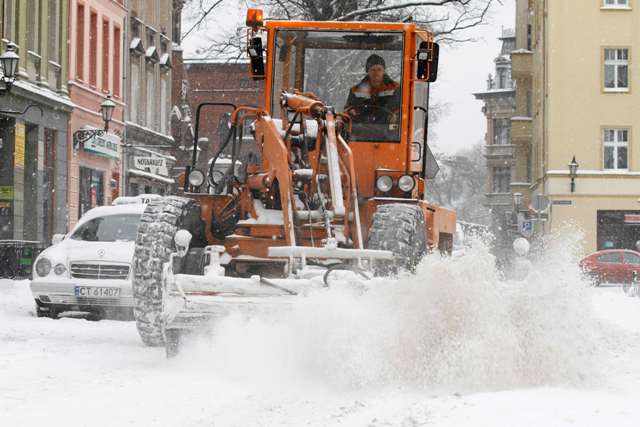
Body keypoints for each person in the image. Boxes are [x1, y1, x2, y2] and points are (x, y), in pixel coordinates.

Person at [344, 54, 401, 125]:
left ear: (384, 71)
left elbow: (401, 109)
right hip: (361, 131)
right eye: (373, 70)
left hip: (389, 131)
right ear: (368, 71)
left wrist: (395, 116)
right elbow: (348, 109)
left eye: (379, 69)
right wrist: (351, 111)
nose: (376, 73)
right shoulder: (356, 91)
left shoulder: (395, 88)